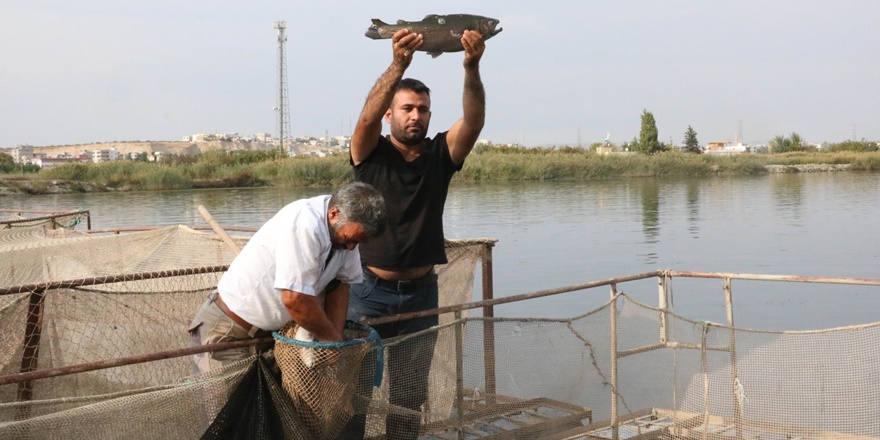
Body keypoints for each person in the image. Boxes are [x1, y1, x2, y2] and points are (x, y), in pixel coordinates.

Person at [342, 28, 488, 440]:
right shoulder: (370, 153)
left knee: (408, 398)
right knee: (354, 393)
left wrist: (471, 67)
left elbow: (474, 121)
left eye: (423, 109)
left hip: (422, 294)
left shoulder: (441, 154)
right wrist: (397, 66)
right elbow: (365, 118)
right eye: (407, 108)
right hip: (369, 292)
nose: (416, 116)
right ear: (391, 114)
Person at [188, 182, 387, 374]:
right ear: (334, 214)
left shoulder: (344, 235)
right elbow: (295, 299)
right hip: (228, 333)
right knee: (229, 407)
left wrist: (335, 339)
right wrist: (331, 339)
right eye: (350, 240)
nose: (352, 247)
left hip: (270, 336)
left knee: (267, 406)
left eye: (358, 242)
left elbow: (340, 284)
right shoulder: (304, 225)